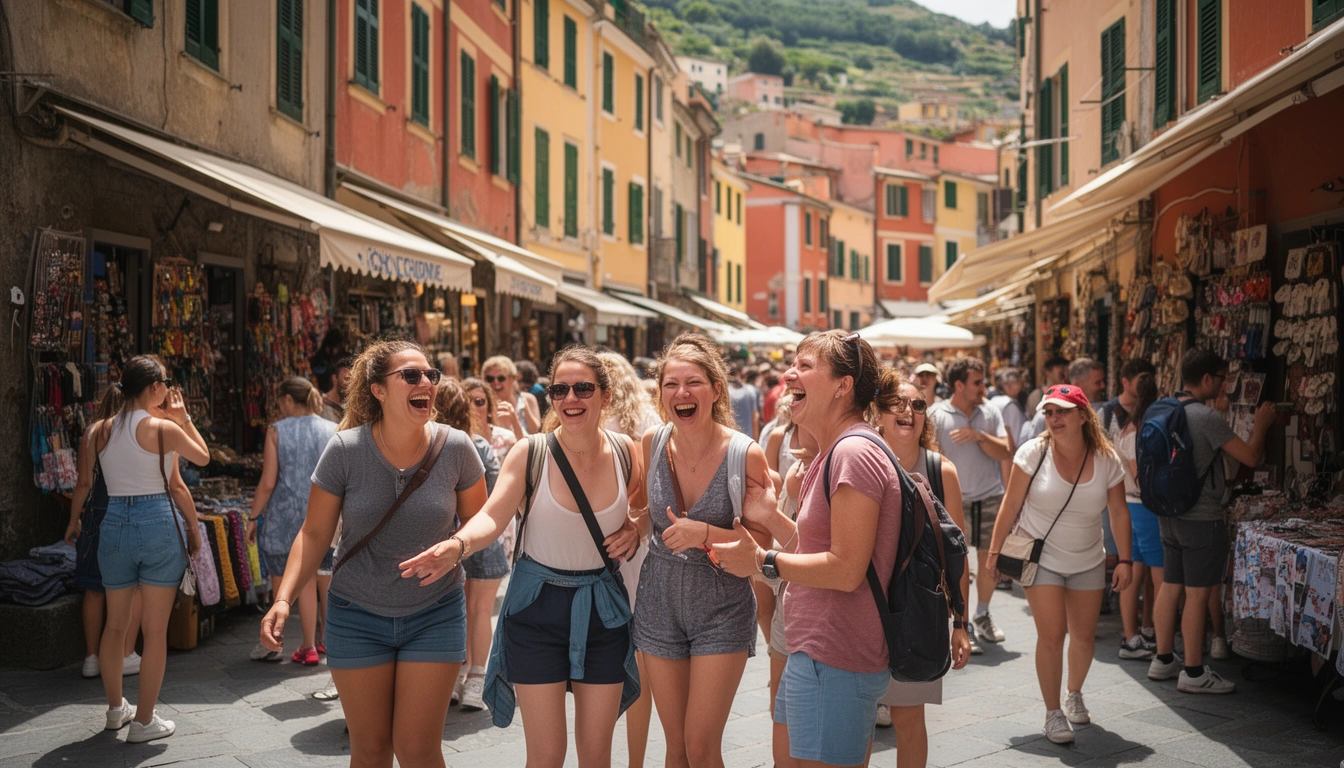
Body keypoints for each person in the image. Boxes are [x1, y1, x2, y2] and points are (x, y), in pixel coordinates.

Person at [260, 340, 487, 768]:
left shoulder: (455, 447)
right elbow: (313, 533)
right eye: (411, 375)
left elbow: (482, 521)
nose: (425, 382)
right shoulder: (345, 449)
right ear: (378, 390)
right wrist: (283, 599)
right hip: (355, 614)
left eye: (430, 375)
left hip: (435, 613)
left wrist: (457, 547)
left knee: (418, 750)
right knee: (370, 750)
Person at [710, 330, 903, 768]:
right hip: (817, 653)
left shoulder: (853, 451)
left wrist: (762, 561)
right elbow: (820, 546)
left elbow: (847, 568)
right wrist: (772, 516)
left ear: (843, 385)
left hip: (837, 656)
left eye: (805, 365)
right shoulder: (832, 451)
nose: (788, 373)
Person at [452, 346, 645, 767]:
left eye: (582, 388)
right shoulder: (531, 452)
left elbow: (647, 507)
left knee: (596, 755)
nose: (570, 398)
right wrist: (458, 545)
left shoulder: (628, 452)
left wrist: (636, 527)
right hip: (536, 610)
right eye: (560, 389)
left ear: (605, 395)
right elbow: (492, 515)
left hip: (603, 613)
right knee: (546, 755)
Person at [636, 334, 775, 768]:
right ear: (660, 394)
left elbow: (762, 547)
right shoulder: (651, 444)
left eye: (693, 382)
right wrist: (631, 527)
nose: (682, 393)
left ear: (716, 390)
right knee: (675, 747)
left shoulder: (744, 454)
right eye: (670, 384)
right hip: (658, 603)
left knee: (700, 745)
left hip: (722, 607)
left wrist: (707, 534)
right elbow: (648, 515)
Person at [986, 384, 1133, 745]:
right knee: (1052, 635)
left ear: (1084, 416)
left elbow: (1118, 511)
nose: (1054, 418)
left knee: (1083, 636)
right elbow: (1010, 504)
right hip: (1042, 557)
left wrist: (1126, 559)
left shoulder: (1106, 458)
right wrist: (993, 552)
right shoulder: (1032, 453)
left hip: (1088, 558)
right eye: (1049, 412)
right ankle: (1053, 713)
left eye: (1063, 411)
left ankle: (1074, 692)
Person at [95, 355, 211, 742]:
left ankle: (116, 711)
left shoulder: (99, 430)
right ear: (155, 388)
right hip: (157, 521)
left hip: (113, 523)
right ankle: (144, 721)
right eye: (164, 381)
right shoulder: (163, 429)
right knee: (155, 630)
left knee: (115, 626)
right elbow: (204, 457)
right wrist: (183, 419)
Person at [1149, 348, 1276, 695]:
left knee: (1170, 585)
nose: (1223, 386)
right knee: (1197, 594)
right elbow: (1250, 456)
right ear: (1206, 379)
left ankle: (1162, 659)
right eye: (1221, 379)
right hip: (1202, 517)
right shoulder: (1207, 418)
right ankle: (1192, 671)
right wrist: (1262, 425)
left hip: (1169, 513)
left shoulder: (1161, 408)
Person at [871, 369, 973, 766]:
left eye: (917, 405)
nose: (908, 411)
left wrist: (961, 623)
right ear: (877, 413)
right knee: (859, 720)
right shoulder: (860, 460)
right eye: (897, 404)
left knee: (910, 719)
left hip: (915, 612)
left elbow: (957, 552)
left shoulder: (941, 471)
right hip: (863, 608)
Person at [596, 350, 662, 768]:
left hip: (602, 547)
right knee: (641, 663)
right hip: (639, 549)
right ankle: (635, 761)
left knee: (602, 663)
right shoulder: (650, 423)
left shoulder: (599, 425)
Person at [246, 378, 338, 665]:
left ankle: (273, 643)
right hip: (324, 513)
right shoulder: (332, 429)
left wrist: (253, 516)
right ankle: (318, 644)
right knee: (318, 578)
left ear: (287, 399)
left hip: (284, 516)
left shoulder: (277, 431)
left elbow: (267, 482)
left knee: (282, 580)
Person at [433, 378, 508, 713]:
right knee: (480, 611)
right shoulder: (478, 445)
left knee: (458, 610)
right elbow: (492, 499)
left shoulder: (428, 444)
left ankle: (456, 676)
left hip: (445, 541)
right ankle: (476, 680)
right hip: (481, 538)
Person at [927, 358, 1012, 647]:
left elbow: (1005, 451)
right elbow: (929, 456)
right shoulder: (936, 414)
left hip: (989, 496)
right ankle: (961, 622)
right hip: (952, 502)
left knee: (990, 563)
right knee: (958, 564)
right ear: (959, 385)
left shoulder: (990, 412)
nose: (983, 387)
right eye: (977, 382)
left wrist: (978, 436)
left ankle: (983, 614)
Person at [66, 395, 144, 681]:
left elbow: (84, 483)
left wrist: (74, 520)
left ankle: (91, 657)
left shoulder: (93, 432)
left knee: (94, 589)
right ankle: (126, 653)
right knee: (133, 587)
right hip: (127, 513)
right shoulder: (137, 430)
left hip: (96, 516)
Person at [1115, 371, 1163, 660]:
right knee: (1157, 577)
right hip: (1142, 506)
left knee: (1132, 571)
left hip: (1129, 504)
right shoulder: (1139, 429)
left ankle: (1136, 634)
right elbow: (1138, 472)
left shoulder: (1128, 426)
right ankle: (1147, 636)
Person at [482, 356, 542, 438]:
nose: (495, 382)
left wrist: (525, 407)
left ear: (512, 379)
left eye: (501, 378)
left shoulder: (528, 399)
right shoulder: (483, 405)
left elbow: (537, 432)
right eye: (490, 379)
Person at [464, 377, 519, 460]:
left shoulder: (507, 438)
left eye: (479, 402)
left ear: (489, 406)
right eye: (467, 402)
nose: (473, 408)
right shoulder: (459, 441)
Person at [728, 364, 762, 439]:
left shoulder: (722, 391)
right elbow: (755, 417)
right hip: (747, 440)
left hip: (729, 440)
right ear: (739, 374)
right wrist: (755, 441)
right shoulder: (750, 390)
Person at [318, 357, 353, 424]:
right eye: (346, 379)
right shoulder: (321, 404)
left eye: (352, 380)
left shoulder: (351, 406)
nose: (349, 384)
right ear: (334, 378)